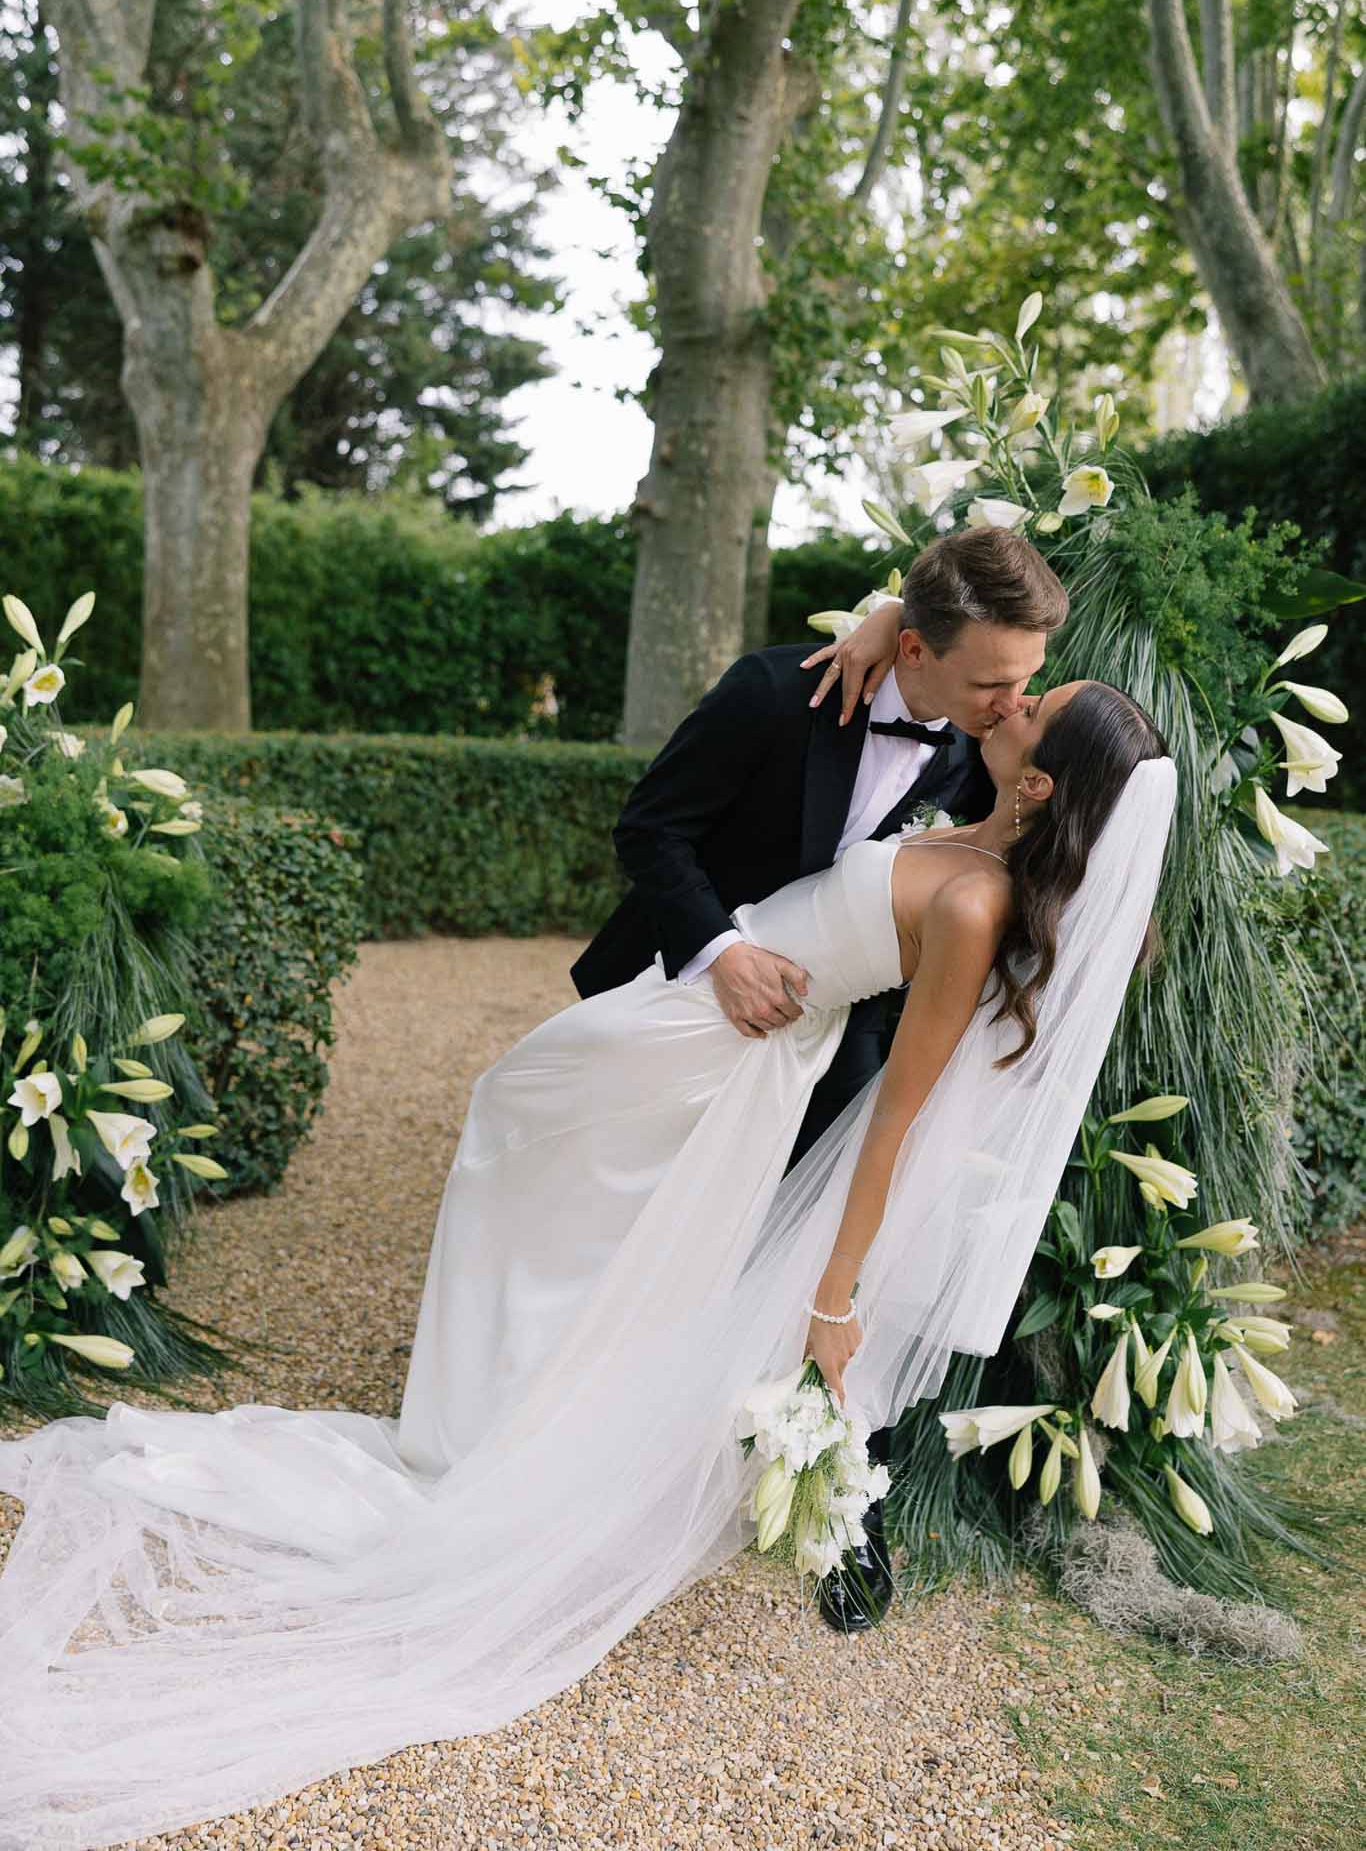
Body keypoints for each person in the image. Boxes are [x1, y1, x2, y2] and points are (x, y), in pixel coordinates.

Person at [0, 655, 1176, 1851]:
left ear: (1038, 790)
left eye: (1032, 709)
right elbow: (927, 643)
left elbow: (901, 1116)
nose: (1008, 705)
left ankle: (496, 1443)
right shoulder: (963, 819)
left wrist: (834, 1297)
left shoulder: (975, 907)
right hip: (711, 1000)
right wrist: (884, 615)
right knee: (529, 1135)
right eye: (1018, 686)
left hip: (741, 1050)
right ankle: (488, 1414)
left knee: (527, 1122)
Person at [572, 525, 1069, 1629]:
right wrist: (720, 953)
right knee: (596, 1194)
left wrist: (899, 623)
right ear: (916, 653)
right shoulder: (772, 694)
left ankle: (843, 1496)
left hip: (836, 1017)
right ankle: (573, 1404)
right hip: (691, 990)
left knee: (833, 1237)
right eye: (991, 681)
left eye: (1023, 683)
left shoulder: (982, 741)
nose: (1008, 702)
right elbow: (650, 828)